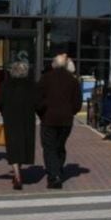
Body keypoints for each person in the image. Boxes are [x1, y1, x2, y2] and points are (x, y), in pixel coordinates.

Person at [37, 53, 82, 189]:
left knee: (49, 148)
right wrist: (70, 112)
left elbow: (37, 99)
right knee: (59, 145)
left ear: (54, 64)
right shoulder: (73, 81)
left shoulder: (46, 78)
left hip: (49, 118)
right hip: (66, 120)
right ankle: (58, 169)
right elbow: (77, 103)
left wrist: (41, 113)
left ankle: (54, 176)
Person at [0, 59, 37, 190]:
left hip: (10, 119)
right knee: (24, 145)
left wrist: (3, 110)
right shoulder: (31, 85)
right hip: (27, 119)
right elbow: (39, 102)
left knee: (13, 146)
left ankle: (17, 174)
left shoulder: (6, 84)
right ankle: (18, 172)